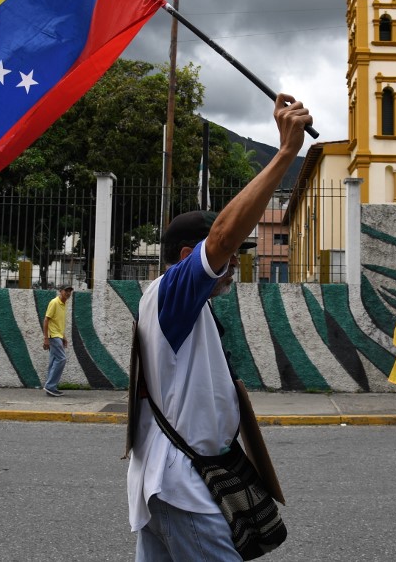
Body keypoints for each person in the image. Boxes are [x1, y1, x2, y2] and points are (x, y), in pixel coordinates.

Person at [127, 93, 311, 561]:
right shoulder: (173, 291)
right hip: (184, 489)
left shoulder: (182, 305)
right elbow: (222, 237)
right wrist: (286, 153)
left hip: (170, 485)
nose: (231, 267)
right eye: (226, 260)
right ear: (190, 258)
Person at [42, 285, 73, 397]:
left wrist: (63, 337)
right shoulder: (54, 302)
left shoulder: (64, 304)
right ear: (60, 291)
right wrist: (46, 338)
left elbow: (58, 322)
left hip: (58, 335)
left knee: (53, 361)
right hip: (53, 336)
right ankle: (50, 386)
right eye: (66, 291)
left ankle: (51, 387)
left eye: (70, 291)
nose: (68, 293)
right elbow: (46, 320)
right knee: (61, 359)